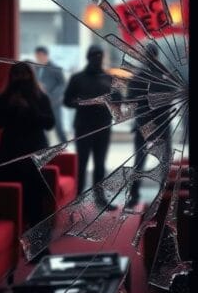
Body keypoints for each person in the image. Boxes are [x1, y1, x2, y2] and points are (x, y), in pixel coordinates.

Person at [0, 62, 56, 229]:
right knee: (10, 195)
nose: (20, 78)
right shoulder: (3, 97)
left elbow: (49, 123)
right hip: (10, 150)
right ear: (11, 77)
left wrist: (30, 108)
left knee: (35, 195)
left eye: (24, 74)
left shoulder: (41, 96)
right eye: (16, 74)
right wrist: (9, 107)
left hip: (34, 149)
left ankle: (36, 241)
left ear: (31, 76)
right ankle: (16, 236)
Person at [64, 45, 118, 207]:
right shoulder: (77, 78)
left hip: (102, 126)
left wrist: (107, 103)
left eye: (100, 55)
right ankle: (78, 197)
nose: (97, 58)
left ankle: (100, 198)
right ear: (88, 57)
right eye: (94, 55)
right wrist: (83, 102)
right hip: (83, 127)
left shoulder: (109, 78)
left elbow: (119, 99)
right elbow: (67, 101)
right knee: (82, 163)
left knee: (100, 164)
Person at [126, 42, 173, 209]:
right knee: (165, 161)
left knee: (139, 160)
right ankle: (164, 196)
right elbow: (171, 98)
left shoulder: (138, 75)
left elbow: (130, 99)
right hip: (162, 123)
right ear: (157, 55)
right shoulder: (166, 75)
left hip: (143, 123)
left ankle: (134, 196)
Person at [34, 46, 67, 143]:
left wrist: (52, 96)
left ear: (45, 56)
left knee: (58, 127)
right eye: (37, 56)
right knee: (43, 128)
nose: (38, 58)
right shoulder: (35, 68)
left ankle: (64, 147)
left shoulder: (55, 68)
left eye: (39, 56)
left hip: (54, 103)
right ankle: (46, 149)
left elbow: (62, 85)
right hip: (40, 104)